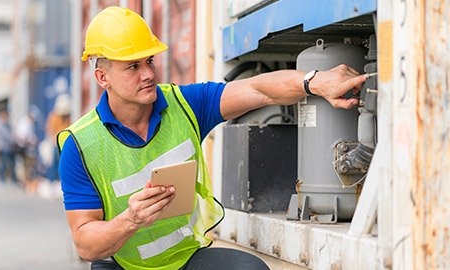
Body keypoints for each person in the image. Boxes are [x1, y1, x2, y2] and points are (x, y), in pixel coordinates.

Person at [57, 6, 366, 270]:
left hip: (183, 260)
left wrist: (314, 82)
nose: (149, 73)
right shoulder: (80, 145)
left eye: (149, 61)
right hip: (121, 265)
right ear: (102, 77)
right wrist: (131, 219)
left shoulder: (185, 105)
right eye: (133, 67)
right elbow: (86, 243)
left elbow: (258, 89)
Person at [45, 94, 70, 183]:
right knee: (56, 164)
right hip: (57, 143)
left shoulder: (68, 116)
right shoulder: (54, 116)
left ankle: (60, 182)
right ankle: (53, 182)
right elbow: (50, 129)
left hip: (66, 143)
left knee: (64, 165)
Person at [15, 107, 38, 189]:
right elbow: (22, 137)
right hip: (26, 149)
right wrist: (31, 142)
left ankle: (26, 183)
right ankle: (27, 184)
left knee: (27, 167)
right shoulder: (26, 123)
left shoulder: (25, 122)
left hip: (26, 148)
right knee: (28, 167)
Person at [0, 111, 18, 188]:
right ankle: (2, 181)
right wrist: (16, 139)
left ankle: (14, 181)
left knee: (13, 165)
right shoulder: (1, 126)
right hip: (4, 148)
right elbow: (8, 137)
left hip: (11, 148)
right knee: (4, 165)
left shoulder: (8, 125)